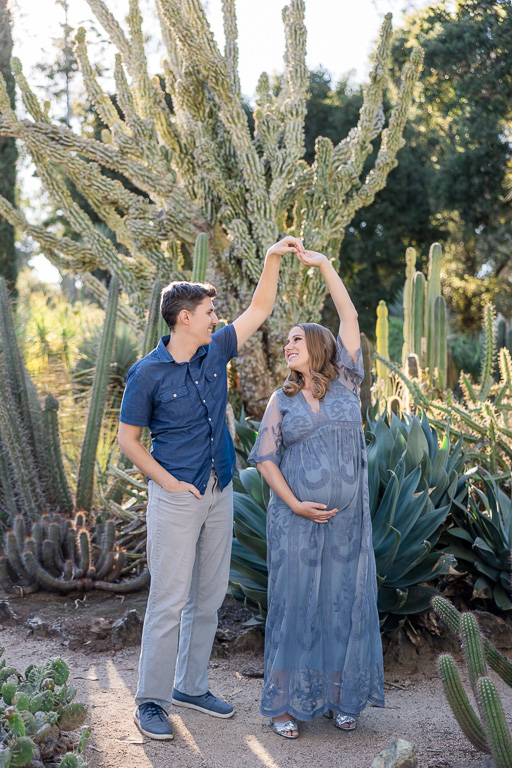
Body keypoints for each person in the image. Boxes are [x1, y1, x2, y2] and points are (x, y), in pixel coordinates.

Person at [118, 235, 304, 741]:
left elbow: (260, 307)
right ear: (184, 318)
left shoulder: (215, 350)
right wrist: (170, 483)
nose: (215, 318)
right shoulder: (147, 373)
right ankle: (150, 702)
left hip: (220, 489)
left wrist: (269, 257)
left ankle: (190, 685)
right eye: (207, 311)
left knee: (209, 595)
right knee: (168, 601)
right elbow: (128, 442)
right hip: (176, 498)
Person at [248, 248, 385, 739]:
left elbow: (348, 313)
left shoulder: (348, 381)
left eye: (296, 340)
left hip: (348, 525)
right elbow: (265, 458)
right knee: (295, 607)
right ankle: (284, 707)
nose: (288, 346)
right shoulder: (280, 400)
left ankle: (339, 699)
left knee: (340, 605)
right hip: (296, 522)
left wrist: (323, 265)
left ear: (320, 347)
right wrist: (295, 504)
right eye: (286, 341)